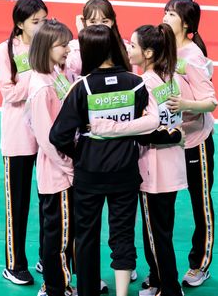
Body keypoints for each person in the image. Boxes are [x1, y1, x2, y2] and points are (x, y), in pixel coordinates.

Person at [49, 24, 159, 296]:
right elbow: (146, 129)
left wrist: (82, 152)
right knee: (122, 235)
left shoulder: (82, 86)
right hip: (125, 172)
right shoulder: (137, 84)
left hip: (90, 173)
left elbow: (59, 135)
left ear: (88, 50)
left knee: (86, 237)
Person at [90, 23, 187, 296]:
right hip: (172, 167)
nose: (128, 49)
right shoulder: (169, 77)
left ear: (147, 52)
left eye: (132, 45)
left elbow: (146, 131)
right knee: (162, 231)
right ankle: (158, 280)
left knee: (156, 236)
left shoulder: (144, 83)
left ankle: (168, 288)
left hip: (153, 171)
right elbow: (173, 125)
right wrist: (175, 136)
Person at [67, 0, 138, 286]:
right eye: (92, 20)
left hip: (105, 158)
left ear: (113, 20)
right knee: (87, 227)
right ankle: (88, 277)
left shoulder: (123, 52)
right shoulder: (75, 53)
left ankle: (119, 267)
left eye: (104, 20)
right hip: (95, 155)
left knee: (114, 225)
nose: (99, 26)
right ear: (84, 22)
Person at [163, 0, 218, 287]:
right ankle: (161, 266)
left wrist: (183, 103)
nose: (165, 16)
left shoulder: (193, 57)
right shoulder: (165, 49)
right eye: (165, 11)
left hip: (196, 140)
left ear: (186, 24)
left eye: (171, 14)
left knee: (200, 203)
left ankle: (200, 264)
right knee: (164, 203)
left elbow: (211, 102)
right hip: (171, 141)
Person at [0, 0, 48, 285]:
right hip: (18, 139)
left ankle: (46, 257)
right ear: (19, 23)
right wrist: (38, 73)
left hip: (47, 139)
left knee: (48, 201)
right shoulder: (5, 50)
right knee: (18, 204)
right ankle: (15, 265)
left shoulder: (47, 44)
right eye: (35, 22)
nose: (41, 27)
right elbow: (10, 93)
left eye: (44, 21)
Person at [27, 19, 75, 296]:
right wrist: (69, 168)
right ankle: (57, 288)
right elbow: (47, 139)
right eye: (63, 45)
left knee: (61, 234)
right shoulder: (42, 87)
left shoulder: (54, 74)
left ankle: (56, 286)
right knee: (59, 236)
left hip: (60, 171)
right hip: (57, 174)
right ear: (47, 47)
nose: (68, 49)